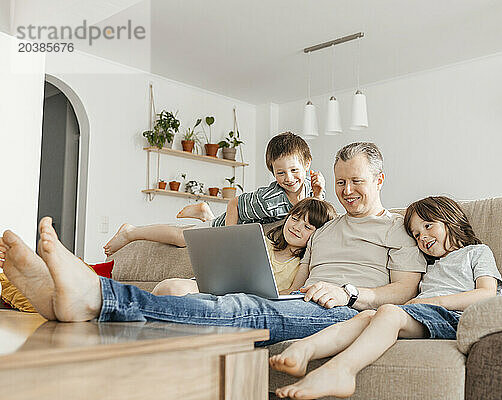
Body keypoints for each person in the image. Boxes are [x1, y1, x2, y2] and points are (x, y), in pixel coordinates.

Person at [0, 142, 426, 347]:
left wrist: (351, 292)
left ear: (380, 180)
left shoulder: (397, 228)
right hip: (297, 299)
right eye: (340, 183)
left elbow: (405, 291)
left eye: (357, 182)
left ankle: (94, 297)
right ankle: (69, 302)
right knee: (235, 300)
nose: (347, 191)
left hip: (343, 310)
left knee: (239, 312)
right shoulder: (327, 227)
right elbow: (299, 274)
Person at [270, 196, 502, 400]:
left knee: (389, 312)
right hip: (423, 315)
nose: (422, 237)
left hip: (455, 317)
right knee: (366, 316)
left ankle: (342, 371)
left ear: (450, 219)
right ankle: (305, 350)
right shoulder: (429, 265)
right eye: (416, 234)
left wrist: (432, 303)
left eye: (428, 226)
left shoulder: (476, 252)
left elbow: (486, 293)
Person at [103, 132, 326, 256]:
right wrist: (227, 239)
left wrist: (318, 192)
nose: (289, 178)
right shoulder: (269, 199)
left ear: (307, 165)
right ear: (272, 172)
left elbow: (313, 216)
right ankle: (131, 232)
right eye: (280, 173)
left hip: (243, 221)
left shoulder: (308, 185)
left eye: (294, 170)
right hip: (232, 220)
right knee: (182, 238)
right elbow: (235, 203)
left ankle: (204, 212)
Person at [152, 197, 337, 296]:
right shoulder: (262, 242)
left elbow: (291, 292)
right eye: (295, 219)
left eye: (307, 227)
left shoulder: (302, 265)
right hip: (221, 289)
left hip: (245, 301)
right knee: (167, 286)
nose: (296, 227)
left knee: (174, 291)